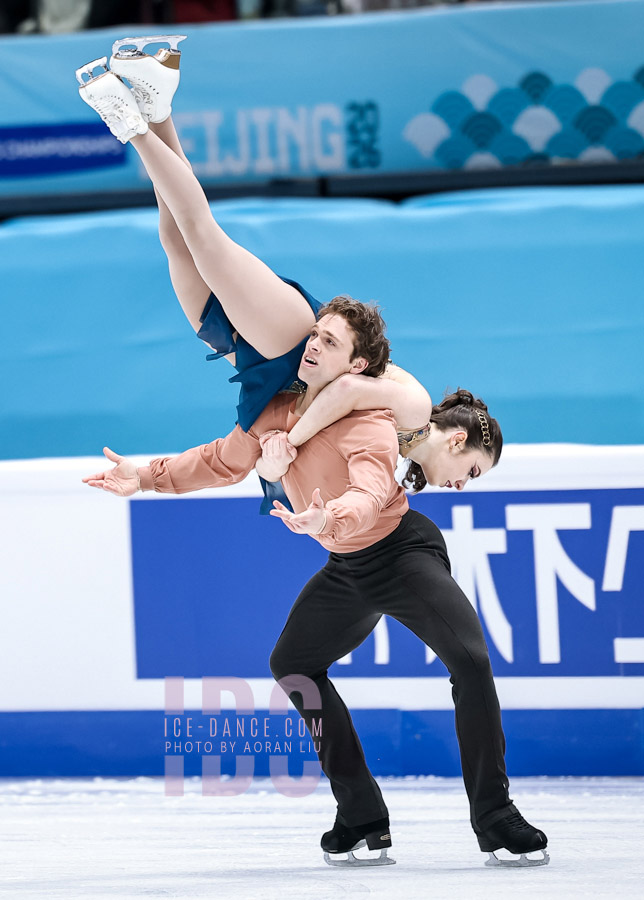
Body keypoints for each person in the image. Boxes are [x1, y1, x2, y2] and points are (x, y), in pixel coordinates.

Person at [82, 294, 549, 869]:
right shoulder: (276, 413)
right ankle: (361, 813)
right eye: (315, 337)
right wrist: (145, 476)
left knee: (470, 661)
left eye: (330, 341)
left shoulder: (371, 420)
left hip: (403, 553)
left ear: (354, 364)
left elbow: (372, 490)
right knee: (293, 665)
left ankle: (496, 815)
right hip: (347, 568)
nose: (313, 347)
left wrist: (329, 519)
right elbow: (221, 460)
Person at [75, 36, 493, 506]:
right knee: (200, 235)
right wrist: (289, 444)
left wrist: (154, 476)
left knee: (178, 242)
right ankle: (130, 125)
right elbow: (346, 388)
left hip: (268, 370)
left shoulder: (397, 447)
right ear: (458, 441)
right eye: (473, 470)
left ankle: (156, 107)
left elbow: (250, 453)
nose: (464, 483)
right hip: (294, 345)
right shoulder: (415, 412)